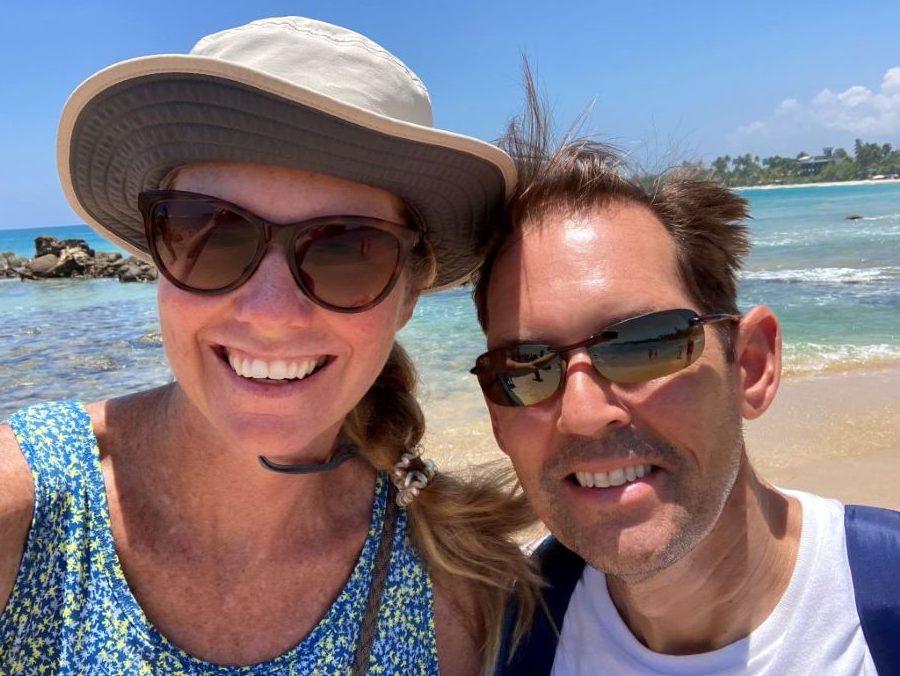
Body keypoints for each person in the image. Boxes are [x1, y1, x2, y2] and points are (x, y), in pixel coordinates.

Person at [0, 17, 539, 674]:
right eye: (212, 233)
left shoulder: (455, 582)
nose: (273, 313)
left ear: (407, 297)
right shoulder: (24, 512)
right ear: (159, 254)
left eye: (347, 251)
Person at [470, 79, 900, 674]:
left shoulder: (881, 601)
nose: (583, 412)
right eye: (527, 369)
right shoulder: (503, 640)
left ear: (751, 365)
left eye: (644, 343)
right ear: (497, 417)